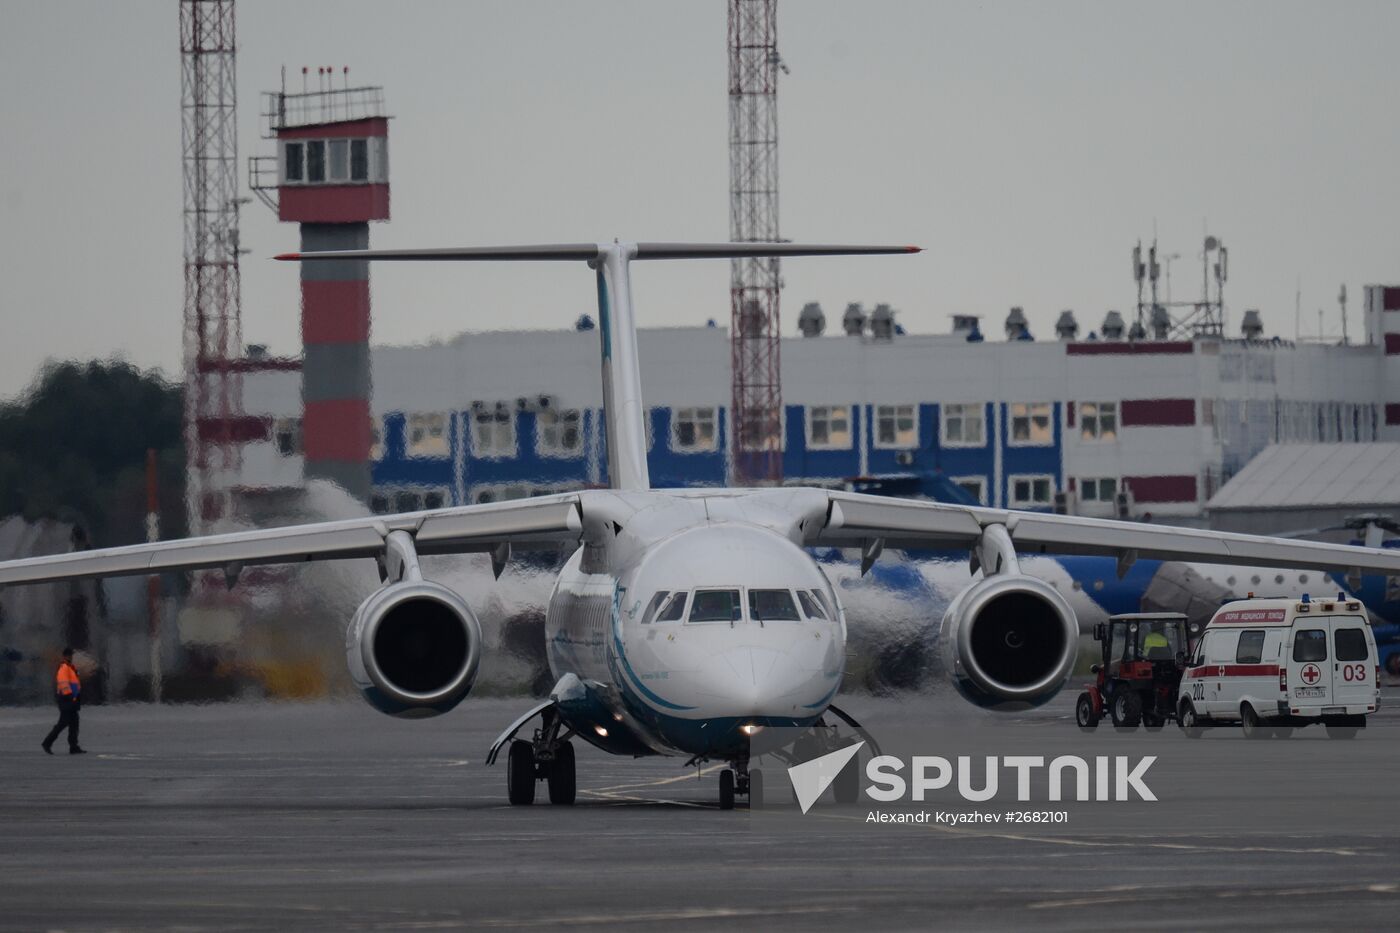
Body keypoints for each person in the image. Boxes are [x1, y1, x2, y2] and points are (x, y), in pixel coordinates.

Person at [41, 647, 86, 755]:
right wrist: (69, 696)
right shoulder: (64, 667)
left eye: (71, 655)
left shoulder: (70, 667)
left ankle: (73, 746)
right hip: (67, 700)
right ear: (65, 656)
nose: (70, 657)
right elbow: (63, 683)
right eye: (68, 655)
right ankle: (47, 742)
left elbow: (73, 683)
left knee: (74, 723)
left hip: (72, 700)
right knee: (63, 723)